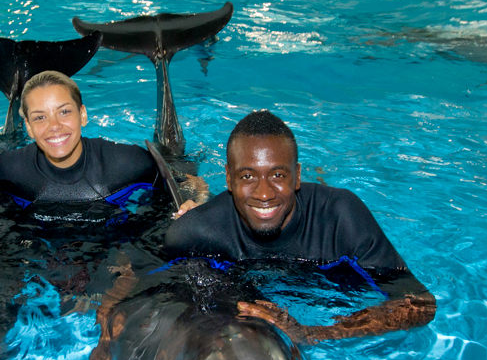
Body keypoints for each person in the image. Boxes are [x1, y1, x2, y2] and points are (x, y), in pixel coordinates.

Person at [163, 109, 436, 344]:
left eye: (278, 175)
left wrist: (313, 333)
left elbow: (420, 304)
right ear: (228, 178)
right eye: (247, 176)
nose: (264, 193)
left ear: (297, 177)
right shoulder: (196, 232)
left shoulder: (340, 218)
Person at [0, 70, 204, 225]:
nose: (54, 126)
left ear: (83, 115)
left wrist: (196, 204)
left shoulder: (128, 162)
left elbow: (192, 183)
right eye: (40, 117)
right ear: (28, 127)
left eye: (64, 112)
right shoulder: (7, 168)